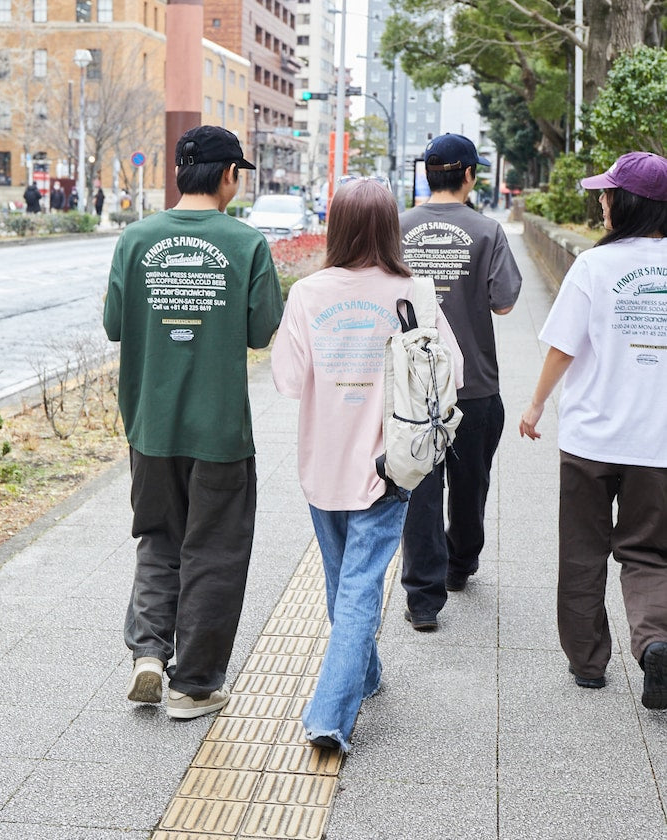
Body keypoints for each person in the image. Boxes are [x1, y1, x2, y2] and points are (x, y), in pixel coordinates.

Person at [271, 178, 462, 751]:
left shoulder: (308, 294)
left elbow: (285, 379)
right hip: (390, 463)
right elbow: (453, 375)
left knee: (346, 585)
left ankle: (329, 715)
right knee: (349, 587)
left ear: (337, 226)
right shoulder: (418, 292)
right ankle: (364, 674)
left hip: (322, 461)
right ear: (388, 228)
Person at [103, 125, 283, 719]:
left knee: (158, 537)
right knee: (215, 549)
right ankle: (194, 685)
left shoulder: (136, 238)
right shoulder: (246, 243)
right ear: (229, 174)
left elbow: (113, 325)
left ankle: (149, 654)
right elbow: (261, 332)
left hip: (149, 426)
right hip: (219, 432)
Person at [520, 151, 667, 708]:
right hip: (659, 444)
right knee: (650, 551)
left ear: (628, 203)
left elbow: (563, 348)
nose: (601, 201)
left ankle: (587, 664)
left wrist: (535, 405)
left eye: (607, 194)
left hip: (590, 439)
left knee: (582, 550)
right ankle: (655, 640)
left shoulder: (594, 267)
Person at [398, 133, 522, 630]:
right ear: (470, 174)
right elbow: (506, 302)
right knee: (469, 484)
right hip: (473, 384)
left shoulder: (397, 226)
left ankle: (422, 601)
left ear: (427, 174)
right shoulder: (487, 230)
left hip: (412, 386)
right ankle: (460, 562)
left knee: (420, 489)